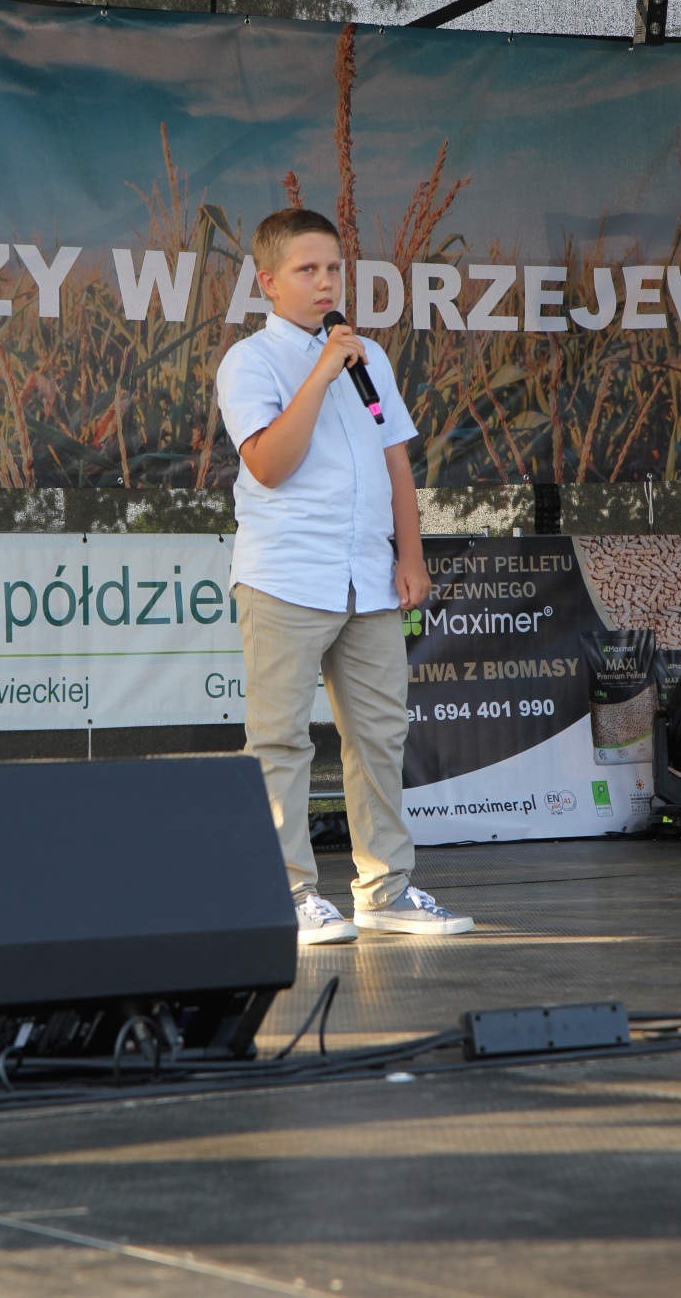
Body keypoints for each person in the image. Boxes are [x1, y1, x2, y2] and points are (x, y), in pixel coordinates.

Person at [216, 208, 474, 944]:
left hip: (367, 576)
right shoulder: (250, 362)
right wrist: (322, 370)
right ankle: (288, 893)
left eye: (333, 268)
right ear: (269, 281)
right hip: (287, 575)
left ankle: (384, 891)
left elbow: (396, 460)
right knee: (280, 741)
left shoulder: (371, 358)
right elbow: (269, 464)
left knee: (380, 735)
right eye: (307, 270)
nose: (326, 281)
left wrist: (410, 554)